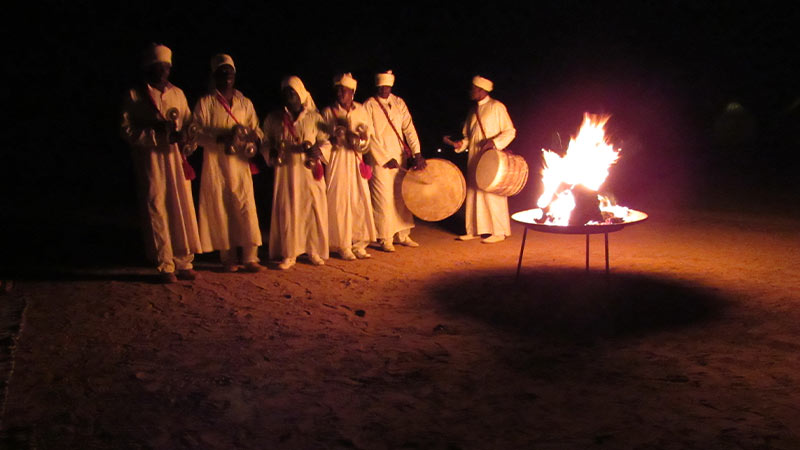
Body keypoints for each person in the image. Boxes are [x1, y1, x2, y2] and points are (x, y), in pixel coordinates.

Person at [120, 44, 202, 283]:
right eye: (159, 67)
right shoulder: (135, 95)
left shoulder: (177, 93)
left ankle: (184, 260)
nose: (163, 71)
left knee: (181, 205)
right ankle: (165, 264)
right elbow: (126, 130)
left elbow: (189, 124)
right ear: (149, 68)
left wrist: (186, 139)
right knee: (157, 206)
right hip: (150, 159)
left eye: (167, 67)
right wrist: (155, 133)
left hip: (176, 159)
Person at [192, 54, 265, 272]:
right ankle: (229, 257)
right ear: (215, 76)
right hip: (217, 164)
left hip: (240, 163)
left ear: (235, 75)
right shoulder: (205, 103)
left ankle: (251, 257)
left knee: (245, 205)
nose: (227, 77)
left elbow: (257, 128)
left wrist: (254, 137)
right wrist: (219, 138)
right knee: (221, 206)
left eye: (230, 72)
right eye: (222, 73)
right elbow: (195, 132)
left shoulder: (245, 102)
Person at [262, 76, 331, 270]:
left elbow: (326, 141)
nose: (288, 96)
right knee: (288, 208)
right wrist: (271, 151)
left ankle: (313, 251)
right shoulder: (274, 118)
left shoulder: (315, 118)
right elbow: (265, 141)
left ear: (300, 93)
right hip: (286, 172)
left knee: (312, 207)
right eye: (285, 92)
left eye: (292, 92)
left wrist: (319, 151)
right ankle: (289, 252)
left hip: (309, 171)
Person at [443, 75, 516, 243]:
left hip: (492, 158)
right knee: (474, 191)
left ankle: (498, 231)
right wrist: (460, 144)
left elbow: (510, 131)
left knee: (492, 190)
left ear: (482, 90)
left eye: (474, 89)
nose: (471, 92)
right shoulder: (472, 111)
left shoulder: (497, 107)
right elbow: (469, 136)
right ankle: (475, 229)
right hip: (474, 157)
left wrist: (494, 142)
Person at [363, 70, 426, 252]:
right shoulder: (369, 105)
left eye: (388, 86)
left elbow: (408, 128)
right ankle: (385, 238)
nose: (385, 89)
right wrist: (383, 157)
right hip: (379, 160)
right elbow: (369, 136)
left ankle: (403, 234)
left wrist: (417, 153)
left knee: (401, 196)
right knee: (383, 198)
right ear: (377, 86)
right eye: (381, 86)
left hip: (399, 158)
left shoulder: (399, 102)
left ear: (391, 86)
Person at [321, 73, 377, 260]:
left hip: (355, 159)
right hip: (337, 160)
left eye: (343, 90)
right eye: (337, 90)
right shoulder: (328, 112)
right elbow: (321, 139)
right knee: (339, 200)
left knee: (359, 199)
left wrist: (360, 141)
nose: (339, 93)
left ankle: (359, 243)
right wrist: (333, 139)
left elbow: (369, 136)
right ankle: (342, 244)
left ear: (352, 92)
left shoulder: (361, 110)